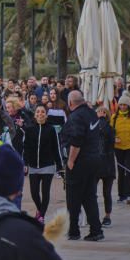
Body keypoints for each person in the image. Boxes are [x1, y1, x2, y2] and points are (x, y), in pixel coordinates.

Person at [59, 90, 105, 241]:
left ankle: (73, 231)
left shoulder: (76, 117)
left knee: (73, 197)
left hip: (80, 161)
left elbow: (76, 140)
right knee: (89, 196)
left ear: (71, 103)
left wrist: (71, 160)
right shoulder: (92, 113)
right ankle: (96, 230)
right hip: (94, 160)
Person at [22, 104, 63, 223]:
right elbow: (26, 148)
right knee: (34, 192)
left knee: (45, 192)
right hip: (34, 166)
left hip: (48, 165)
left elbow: (57, 148)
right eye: (38, 112)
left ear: (46, 115)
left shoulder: (51, 129)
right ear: (35, 115)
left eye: (43, 112)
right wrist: (25, 163)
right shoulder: (29, 129)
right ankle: (40, 211)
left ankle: (41, 216)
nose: (40, 114)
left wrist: (60, 166)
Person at [97, 105, 117, 227]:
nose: (101, 113)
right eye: (99, 112)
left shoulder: (110, 129)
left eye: (103, 112)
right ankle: (93, 215)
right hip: (96, 163)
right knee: (92, 192)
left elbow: (104, 132)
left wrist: (102, 120)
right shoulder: (92, 128)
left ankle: (107, 215)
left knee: (107, 192)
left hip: (108, 164)